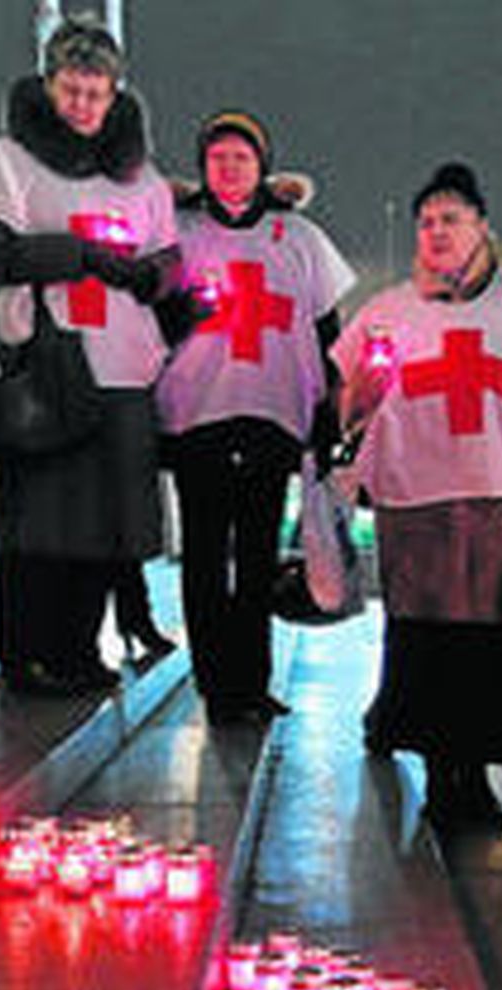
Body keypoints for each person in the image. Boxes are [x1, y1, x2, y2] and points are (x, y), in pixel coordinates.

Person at [333, 161, 502, 831]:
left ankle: (469, 772)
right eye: (425, 222)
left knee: (485, 638)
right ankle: (431, 756)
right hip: (412, 501)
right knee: (421, 634)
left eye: (451, 218)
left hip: (497, 499)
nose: (435, 232)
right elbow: (339, 395)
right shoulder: (389, 311)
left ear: (483, 226)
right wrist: (356, 406)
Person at [0, 15, 177, 694]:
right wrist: (82, 255)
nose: (83, 105)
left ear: (115, 96)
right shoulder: (10, 159)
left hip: (123, 367)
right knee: (38, 519)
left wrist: (144, 274)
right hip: (46, 363)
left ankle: (81, 650)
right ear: (49, 87)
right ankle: (27, 653)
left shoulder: (143, 181)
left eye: (96, 92)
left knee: (101, 526)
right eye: (72, 90)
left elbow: (167, 262)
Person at [156, 109, 354, 723]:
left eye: (242, 157)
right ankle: (218, 687)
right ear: (203, 167)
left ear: (262, 165)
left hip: (274, 414)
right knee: (207, 558)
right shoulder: (178, 232)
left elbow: (328, 329)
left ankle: (253, 681)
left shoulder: (298, 237)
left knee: (259, 556)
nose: (230, 168)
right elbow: (148, 322)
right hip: (199, 413)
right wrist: (178, 315)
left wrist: (328, 404)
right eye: (218, 158)